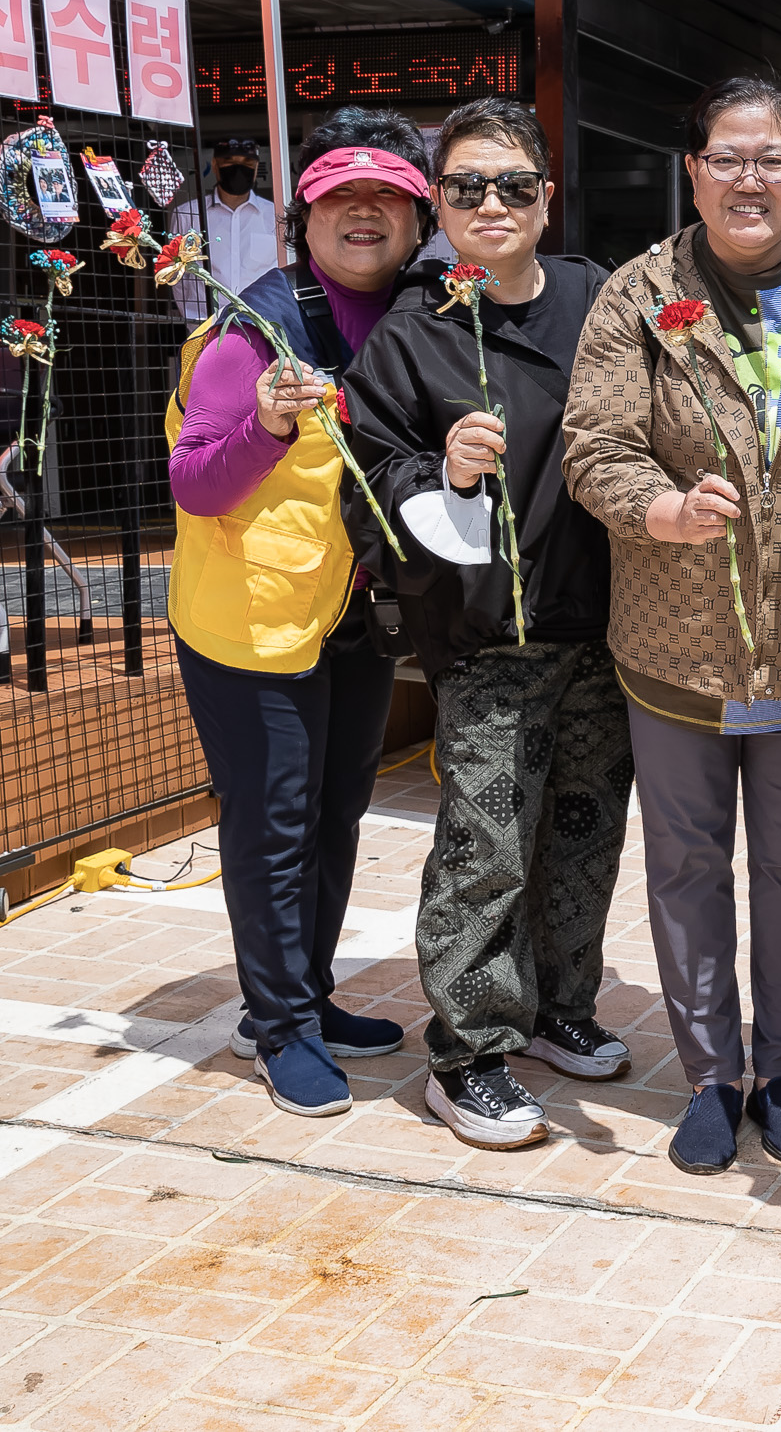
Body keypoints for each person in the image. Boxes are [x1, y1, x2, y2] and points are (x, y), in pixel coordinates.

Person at [563, 76, 781, 1176]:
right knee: (687, 863)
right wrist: (659, 507)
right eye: (726, 158)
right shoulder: (637, 294)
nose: (749, 178)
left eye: (771, 158)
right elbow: (594, 443)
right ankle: (710, 1072)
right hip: (674, 639)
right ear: (691, 172)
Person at [343, 98, 633, 1151]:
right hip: (486, 638)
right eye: (466, 186)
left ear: (547, 195)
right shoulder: (409, 340)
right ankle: (466, 1053)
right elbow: (369, 490)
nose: (492, 204)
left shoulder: (602, 299)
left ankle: (559, 1003)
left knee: (585, 832)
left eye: (514, 183)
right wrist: (443, 470)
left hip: (604, 625)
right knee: (485, 844)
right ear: (440, 203)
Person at [166, 107, 434, 1117]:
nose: (363, 212)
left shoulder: (418, 315)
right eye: (340, 195)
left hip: (353, 618)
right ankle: (276, 1025)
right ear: (306, 214)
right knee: (274, 822)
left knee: (335, 809)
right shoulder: (253, 329)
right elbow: (194, 483)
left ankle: (304, 994)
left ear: (415, 219)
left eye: (387, 198)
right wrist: (269, 426)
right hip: (252, 624)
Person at [170, 137, 284, 321]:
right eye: (229, 162)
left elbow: (283, 270)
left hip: (263, 325)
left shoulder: (276, 215)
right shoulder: (188, 214)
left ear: (256, 168)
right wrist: (194, 319)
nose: (239, 168)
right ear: (215, 165)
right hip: (205, 326)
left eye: (247, 163)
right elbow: (177, 277)